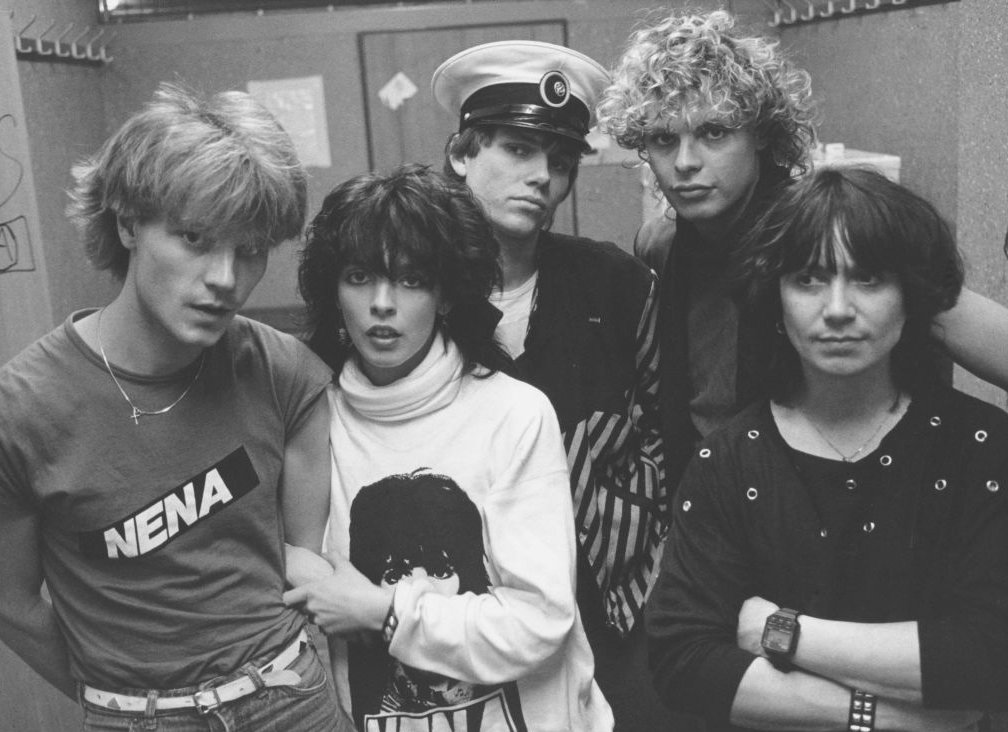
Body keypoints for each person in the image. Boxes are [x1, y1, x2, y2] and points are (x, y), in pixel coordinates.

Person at [0, 84, 340, 731]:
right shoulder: (23, 408)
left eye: (249, 250)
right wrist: (122, 704)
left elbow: (306, 568)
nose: (224, 278)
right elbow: (11, 602)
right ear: (128, 223)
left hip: (288, 697)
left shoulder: (286, 372)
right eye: (194, 238)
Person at [646, 167, 1008, 731]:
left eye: (868, 279)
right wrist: (887, 717)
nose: (837, 308)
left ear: (912, 298)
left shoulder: (979, 447)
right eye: (809, 280)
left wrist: (781, 631)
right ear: (775, 298)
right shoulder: (729, 459)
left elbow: (988, 655)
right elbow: (684, 661)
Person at [597, 8, 1008, 494]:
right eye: (665, 139)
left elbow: (971, 327)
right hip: (715, 501)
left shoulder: (828, 230)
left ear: (760, 134)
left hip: (845, 498)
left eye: (714, 132)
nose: (685, 162)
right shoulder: (661, 245)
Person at [285, 164, 613, 731]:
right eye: (359, 277)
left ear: (444, 296)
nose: (382, 303)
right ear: (334, 291)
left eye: (411, 280)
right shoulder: (312, 418)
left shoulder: (512, 413)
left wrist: (384, 611)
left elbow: (539, 621)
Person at [431, 40, 668, 728]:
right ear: (462, 154)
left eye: (560, 162)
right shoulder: (416, 293)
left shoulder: (614, 284)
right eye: (517, 149)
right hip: (469, 611)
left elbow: (664, 426)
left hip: (614, 604)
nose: (541, 176)